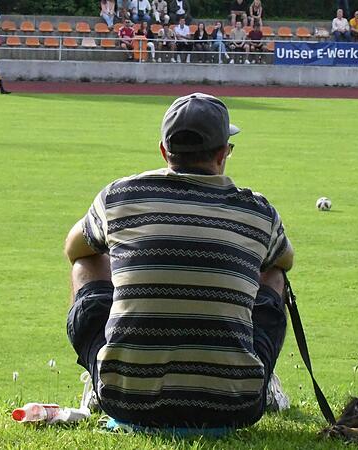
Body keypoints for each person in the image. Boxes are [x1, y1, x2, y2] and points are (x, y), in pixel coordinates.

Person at [63, 92, 293, 430]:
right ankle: (259, 377)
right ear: (222, 153)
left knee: (88, 260)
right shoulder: (258, 211)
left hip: (125, 399)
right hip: (236, 404)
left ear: (163, 151)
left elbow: (74, 248)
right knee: (272, 272)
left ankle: (101, 380)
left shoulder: (118, 196)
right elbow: (285, 260)